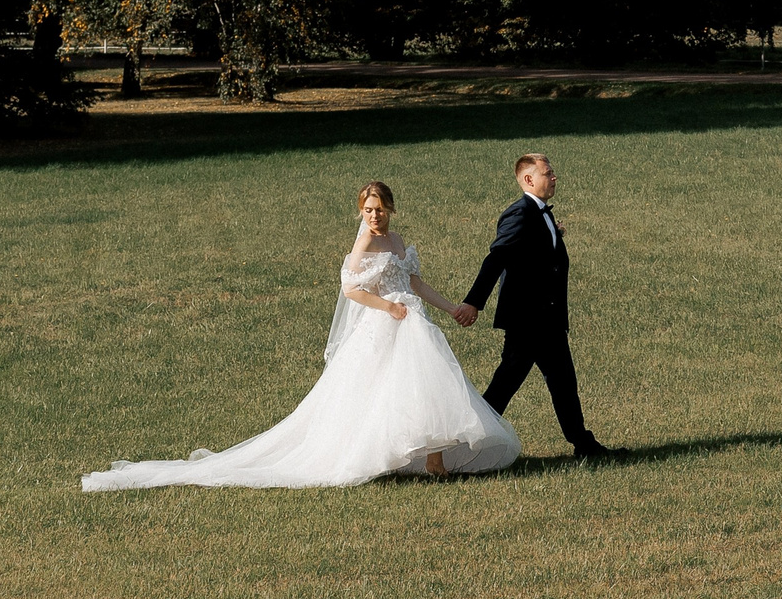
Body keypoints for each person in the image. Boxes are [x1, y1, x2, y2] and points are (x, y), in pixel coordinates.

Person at [80, 181, 520, 490]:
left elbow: (416, 282)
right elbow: (351, 289)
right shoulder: (362, 245)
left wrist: (452, 308)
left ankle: (434, 461)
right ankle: (377, 456)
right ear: (360, 212)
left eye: (379, 208)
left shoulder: (400, 240)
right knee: (379, 392)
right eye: (367, 209)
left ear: (391, 208)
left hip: (414, 322)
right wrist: (389, 307)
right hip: (386, 323)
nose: (374, 215)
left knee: (425, 390)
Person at [456, 151, 612, 457]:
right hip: (527, 320)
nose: (554, 178)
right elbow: (496, 258)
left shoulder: (541, 213)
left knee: (563, 382)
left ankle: (583, 444)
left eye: (553, 173)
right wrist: (474, 302)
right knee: (506, 384)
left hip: (548, 318)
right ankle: (467, 445)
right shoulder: (520, 213)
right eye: (548, 173)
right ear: (529, 179)